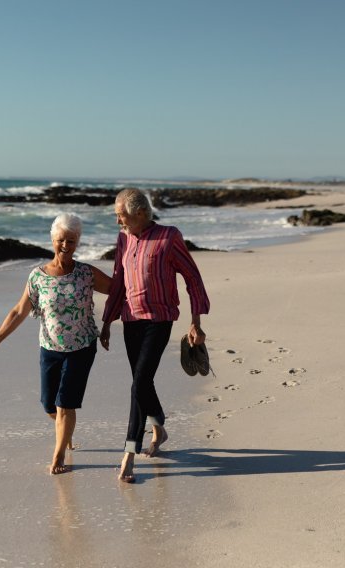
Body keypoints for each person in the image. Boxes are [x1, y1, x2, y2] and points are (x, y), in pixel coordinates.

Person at [99, 188, 210, 483]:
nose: (117, 221)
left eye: (120, 215)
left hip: (159, 321)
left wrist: (195, 321)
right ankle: (159, 427)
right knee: (142, 381)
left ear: (139, 213)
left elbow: (192, 277)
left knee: (138, 383)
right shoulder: (124, 238)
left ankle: (129, 453)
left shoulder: (169, 237)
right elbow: (119, 280)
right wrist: (108, 319)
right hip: (130, 319)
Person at [0, 213, 111, 475]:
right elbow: (19, 311)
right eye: (60, 240)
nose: (65, 245)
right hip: (49, 348)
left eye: (71, 240)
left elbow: (119, 290)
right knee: (48, 404)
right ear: (52, 240)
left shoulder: (86, 274)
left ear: (78, 242)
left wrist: (109, 324)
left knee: (65, 403)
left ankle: (59, 455)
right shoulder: (38, 277)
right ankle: (64, 432)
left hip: (81, 347)